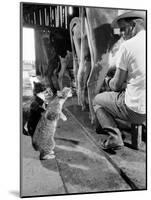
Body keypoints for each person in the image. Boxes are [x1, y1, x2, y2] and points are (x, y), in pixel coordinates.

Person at [93, 11, 146, 150]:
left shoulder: (127, 46)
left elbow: (116, 86)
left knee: (98, 100)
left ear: (133, 25)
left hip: (137, 110)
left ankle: (114, 137)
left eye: (123, 28)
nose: (121, 33)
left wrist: (107, 80)